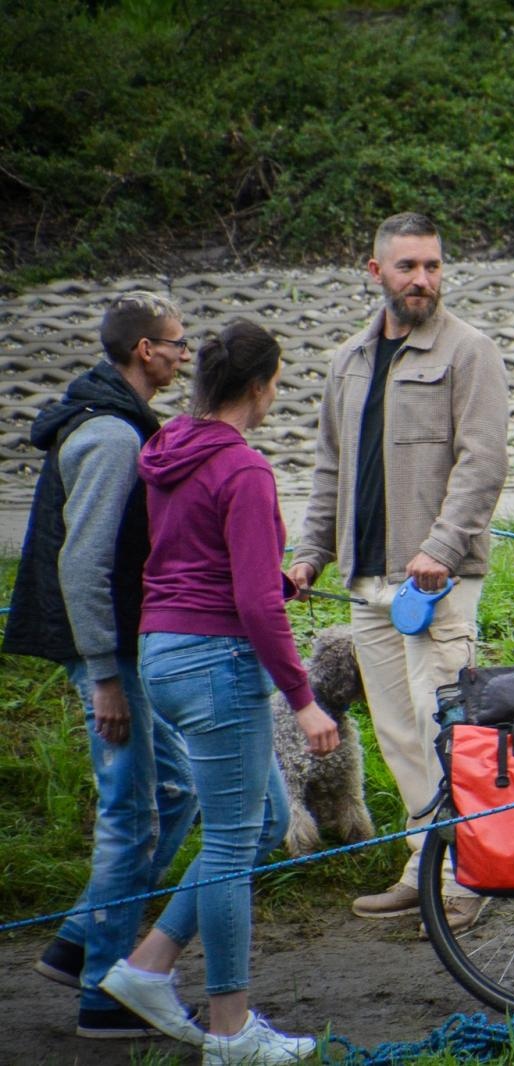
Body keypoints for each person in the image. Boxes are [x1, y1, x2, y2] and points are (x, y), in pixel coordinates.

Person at [100, 320, 339, 1065]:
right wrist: (303, 698)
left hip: (162, 653)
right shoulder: (243, 469)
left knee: (265, 819)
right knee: (235, 844)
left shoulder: (165, 450)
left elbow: (198, 557)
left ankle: (148, 967)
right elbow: (254, 607)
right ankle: (232, 1031)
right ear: (261, 386)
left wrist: (273, 576)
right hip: (216, 662)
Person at [287, 212, 510, 931]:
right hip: (365, 583)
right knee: (398, 736)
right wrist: (309, 550)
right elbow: (329, 469)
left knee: (448, 730)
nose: (422, 280)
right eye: (408, 266)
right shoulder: (347, 361)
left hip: (436, 585)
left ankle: (470, 876)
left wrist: (443, 547)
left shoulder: (470, 351)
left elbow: (484, 462)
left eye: (434, 266)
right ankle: (426, 864)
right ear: (374, 270)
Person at [4, 293, 199, 1039]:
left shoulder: (112, 419)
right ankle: (105, 999)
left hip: (123, 646)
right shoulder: (113, 436)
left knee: (175, 789)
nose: (184, 356)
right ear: (144, 351)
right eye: (177, 345)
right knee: (132, 814)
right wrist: (105, 676)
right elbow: (81, 563)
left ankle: (82, 935)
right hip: (108, 654)